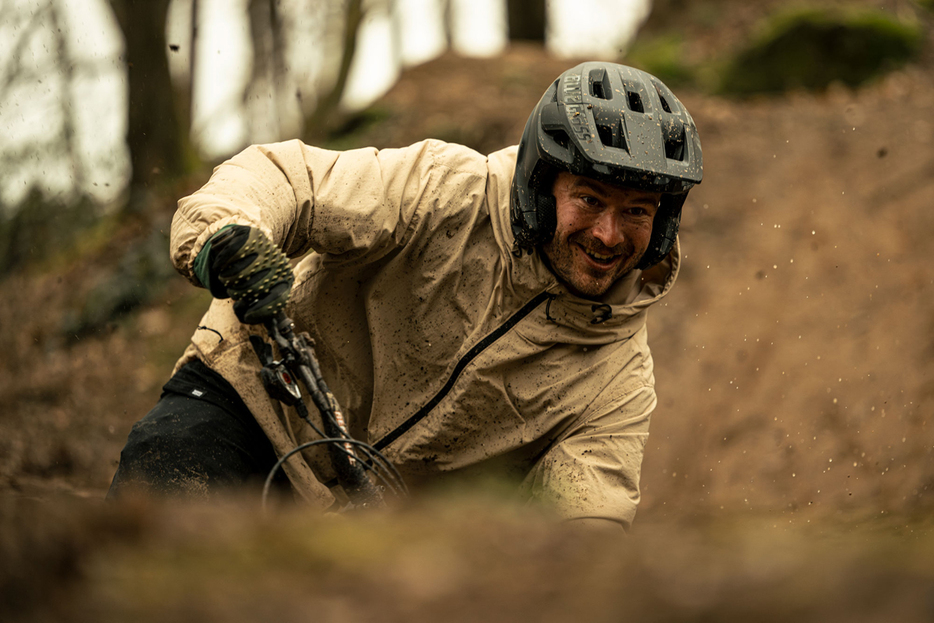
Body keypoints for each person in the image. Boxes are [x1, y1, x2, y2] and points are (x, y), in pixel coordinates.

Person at [108, 61, 703, 530]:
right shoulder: (442, 190)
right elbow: (293, 179)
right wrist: (226, 232)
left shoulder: (616, 376)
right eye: (591, 200)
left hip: (371, 525)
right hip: (254, 399)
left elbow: (586, 523)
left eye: (637, 212)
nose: (608, 234)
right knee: (157, 552)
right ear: (541, 185)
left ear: (664, 226)